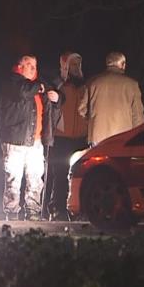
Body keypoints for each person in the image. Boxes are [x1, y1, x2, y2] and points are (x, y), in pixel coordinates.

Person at [0, 55, 60, 221]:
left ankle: (33, 212)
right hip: (15, 140)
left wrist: (56, 98)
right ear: (20, 67)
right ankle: (12, 213)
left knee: (35, 178)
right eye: (29, 65)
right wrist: (40, 87)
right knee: (13, 178)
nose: (33, 69)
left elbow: (57, 98)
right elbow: (23, 91)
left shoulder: (37, 86)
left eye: (35, 66)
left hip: (36, 141)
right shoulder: (12, 82)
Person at [47, 52, 88, 221]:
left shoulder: (85, 85)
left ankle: (77, 208)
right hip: (61, 136)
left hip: (81, 136)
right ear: (65, 66)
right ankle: (57, 208)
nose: (75, 68)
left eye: (78, 65)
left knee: (80, 174)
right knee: (60, 174)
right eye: (72, 65)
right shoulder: (58, 84)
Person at [79, 51, 144, 146]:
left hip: (97, 138)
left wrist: (92, 122)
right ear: (123, 65)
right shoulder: (132, 84)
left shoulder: (92, 82)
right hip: (123, 139)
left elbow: (82, 110)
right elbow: (138, 116)